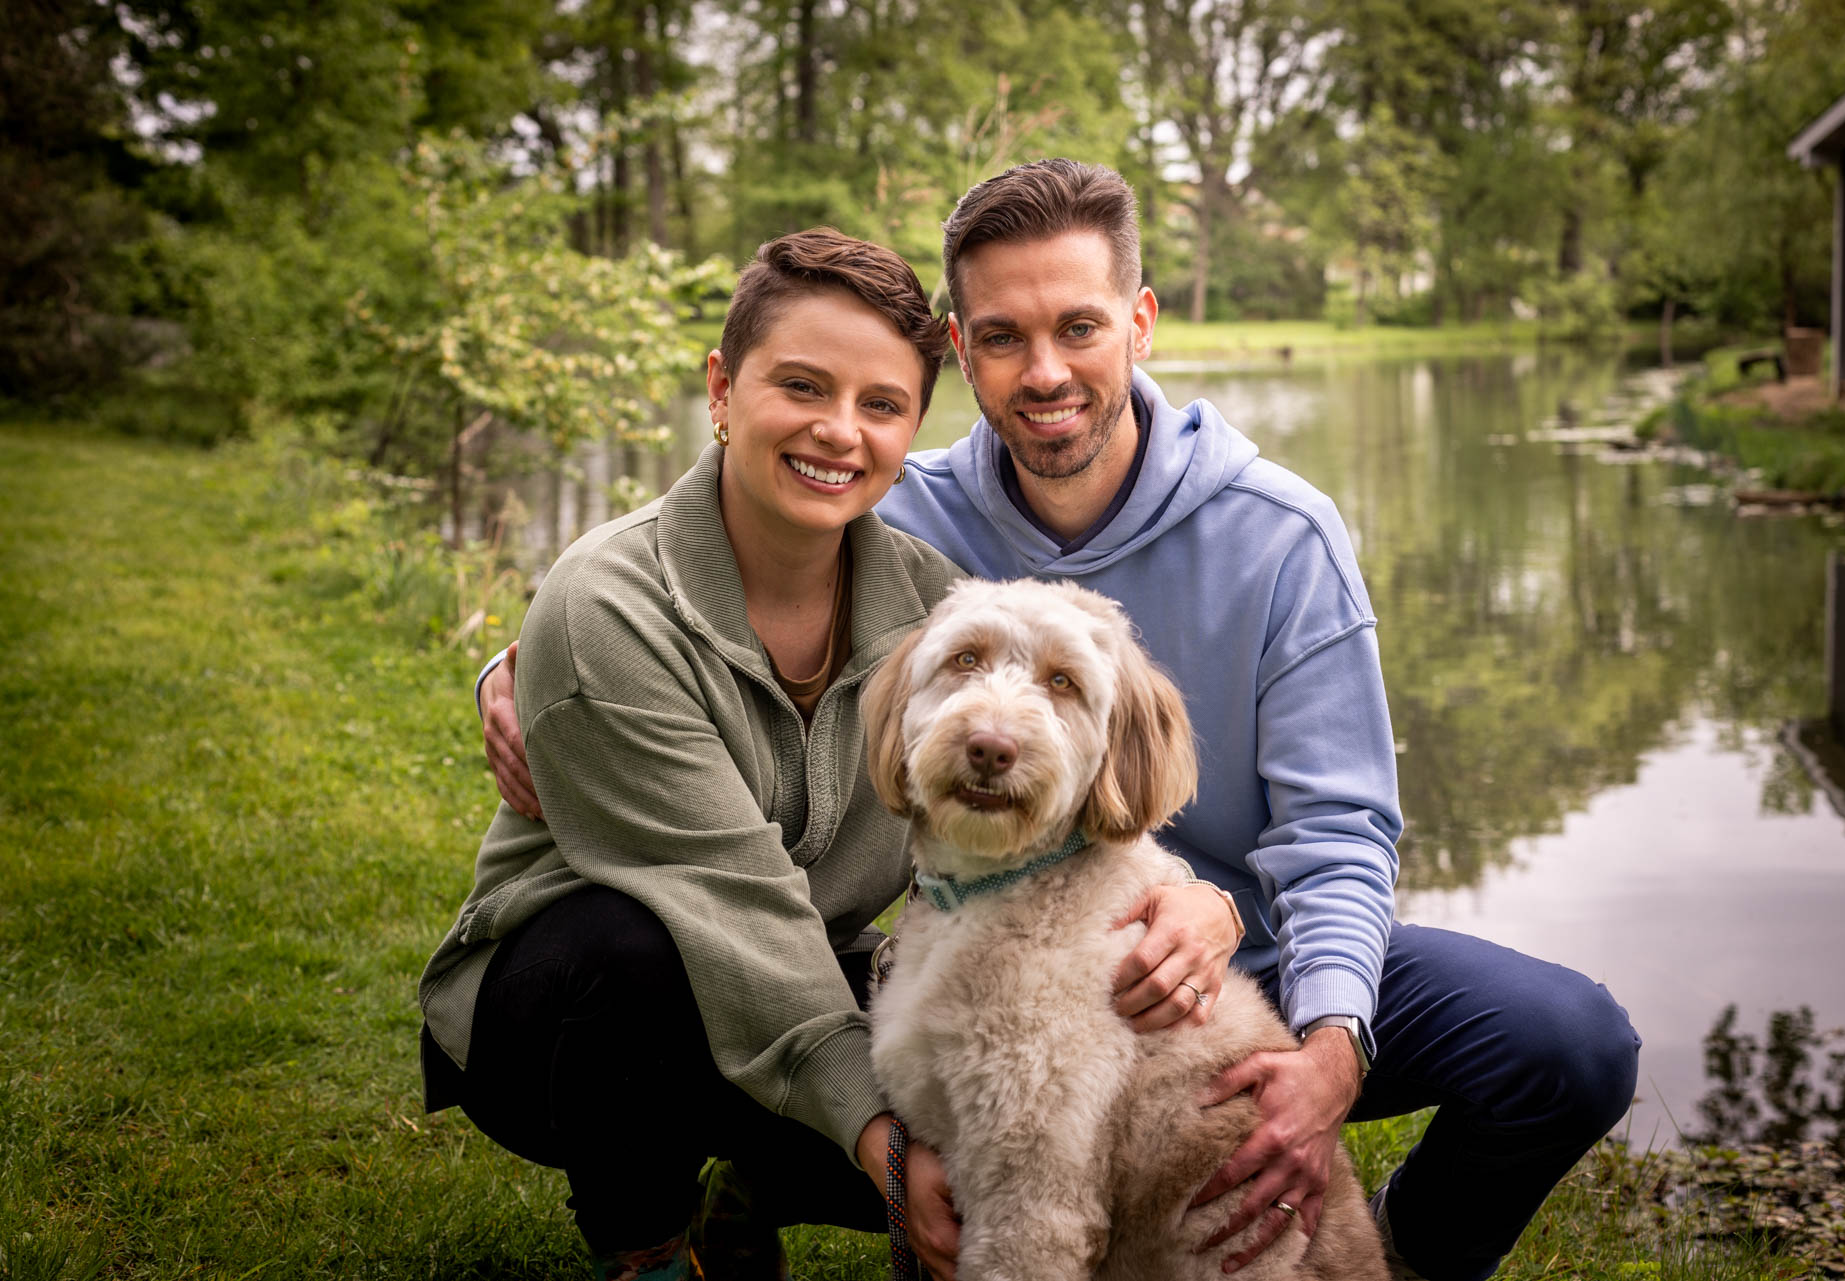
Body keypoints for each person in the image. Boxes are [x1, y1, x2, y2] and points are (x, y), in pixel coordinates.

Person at [476, 162, 1642, 1281]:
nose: (1044, 372)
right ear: (966, 356)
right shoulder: (904, 512)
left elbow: (1342, 832)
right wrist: (519, 668)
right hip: (1020, 949)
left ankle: (1395, 1254)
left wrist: (1329, 1040)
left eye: (1077, 327)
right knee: (919, 1072)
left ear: (1139, 323)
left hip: (1254, 951)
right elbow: (710, 542)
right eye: (1001, 338)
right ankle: (751, 1192)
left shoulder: (1286, 534)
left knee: (1566, 1040)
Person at [420, 227, 1243, 1281]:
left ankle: (761, 1185)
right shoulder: (604, 608)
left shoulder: (928, 597)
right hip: (575, 1016)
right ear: (722, 387)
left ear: (912, 431)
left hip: (798, 972)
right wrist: (877, 1142)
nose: (839, 432)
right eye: (801, 386)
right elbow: (732, 906)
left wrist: (1190, 895)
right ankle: (650, 1251)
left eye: (881, 405)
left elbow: (1080, 718)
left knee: (993, 1017)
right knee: (633, 950)